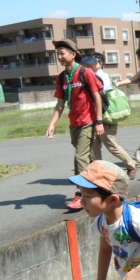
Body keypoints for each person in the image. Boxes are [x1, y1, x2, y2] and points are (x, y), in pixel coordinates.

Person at [46, 38, 104, 211]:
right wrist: (52, 124)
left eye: (62, 53)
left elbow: (97, 97)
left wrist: (99, 121)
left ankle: (81, 194)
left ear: (73, 54)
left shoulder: (85, 72)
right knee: (89, 158)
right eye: (57, 54)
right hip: (74, 123)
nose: (59, 57)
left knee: (80, 157)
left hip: (89, 121)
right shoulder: (62, 78)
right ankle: (101, 184)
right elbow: (60, 104)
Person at [82, 53, 136, 179]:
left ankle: (131, 165)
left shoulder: (103, 76)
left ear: (100, 64)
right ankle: (99, 173)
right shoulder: (90, 76)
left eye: (92, 62)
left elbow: (100, 95)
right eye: (88, 62)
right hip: (94, 118)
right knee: (94, 148)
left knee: (112, 146)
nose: (88, 64)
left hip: (106, 117)